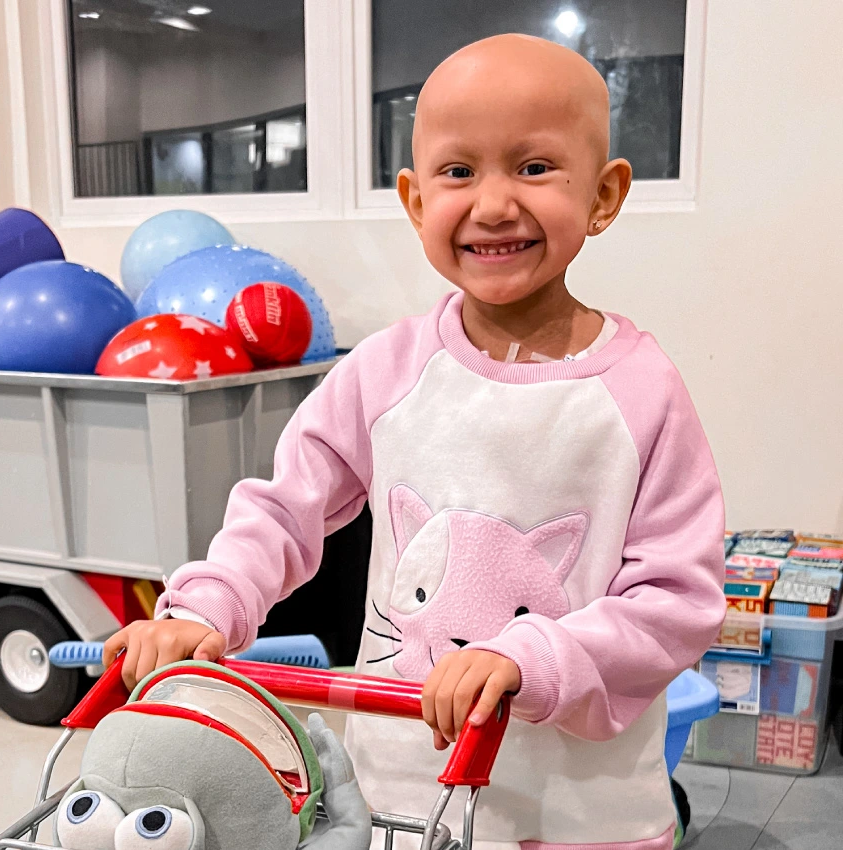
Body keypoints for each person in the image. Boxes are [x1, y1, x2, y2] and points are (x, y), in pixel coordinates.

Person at [105, 34, 727, 849]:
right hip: (407, 789)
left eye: (534, 167)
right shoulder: (387, 370)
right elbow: (285, 503)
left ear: (605, 196)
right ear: (414, 200)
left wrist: (534, 654)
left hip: (580, 810)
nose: (495, 204)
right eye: (459, 172)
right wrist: (208, 603)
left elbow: (677, 604)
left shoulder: (643, 392)